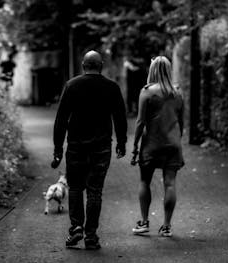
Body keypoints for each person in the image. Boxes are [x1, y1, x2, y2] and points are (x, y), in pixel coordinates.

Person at [51, 50, 127, 249]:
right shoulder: (111, 87)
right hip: (101, 147)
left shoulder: (72, 85)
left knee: (75, 187)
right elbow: (120, 117)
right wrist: (122, 142)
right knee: (95, 190)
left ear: (83, 66)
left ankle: (76, 227)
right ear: (100, 65)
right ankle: (91, 235)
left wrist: (58, 148)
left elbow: (61, 119)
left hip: (76, 146)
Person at [131, 56, 184, 237]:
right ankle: (167, 226)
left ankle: (144, 222)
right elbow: (181, 122)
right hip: (173, 144)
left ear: (152, 70)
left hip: (152, 144)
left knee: (145, 181)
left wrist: (135, 147)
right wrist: (178, 139)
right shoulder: (177, 93)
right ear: (169, 70)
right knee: (170, 184)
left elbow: (140, 122)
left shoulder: (147, 92)